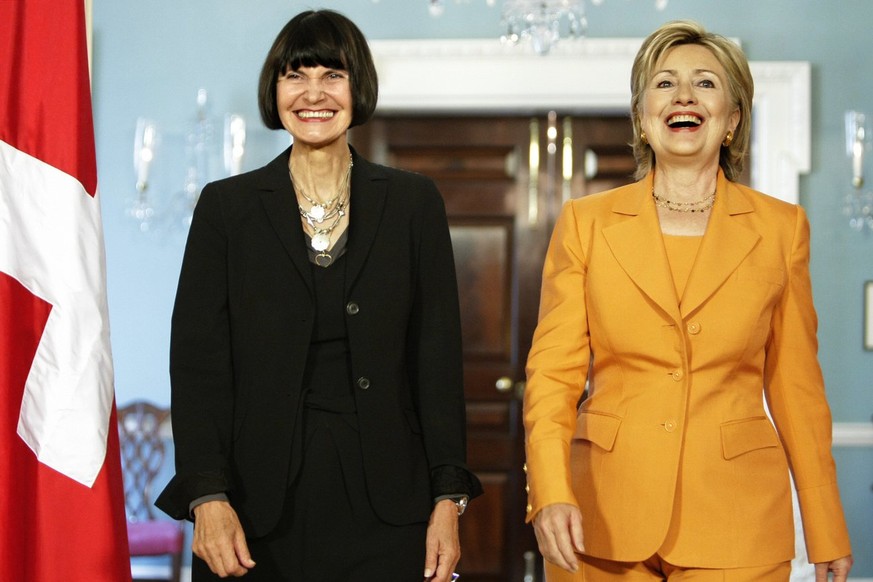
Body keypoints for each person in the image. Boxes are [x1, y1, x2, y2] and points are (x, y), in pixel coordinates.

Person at [155, 9, 482, 581]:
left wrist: (448, 499)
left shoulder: (413, 203)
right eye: (295, 75)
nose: (313, 93)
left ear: (359, 87)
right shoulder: (226, 209)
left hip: (389, 505)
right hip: (252, 510)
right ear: (274, 89)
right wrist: (206, 497)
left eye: (333, 75)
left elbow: (436, 360)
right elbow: (197, 367)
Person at [522, 19, 853, 582]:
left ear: (732, 119)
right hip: (600, 517)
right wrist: (550, 490)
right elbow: (553, 375)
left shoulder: (781, 229)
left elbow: (798, 388)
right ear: (643, 118)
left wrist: (825, 526)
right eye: (664, 83)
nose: (683, 95)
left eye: (705, 83)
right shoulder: (586, 224)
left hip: (739, 519)